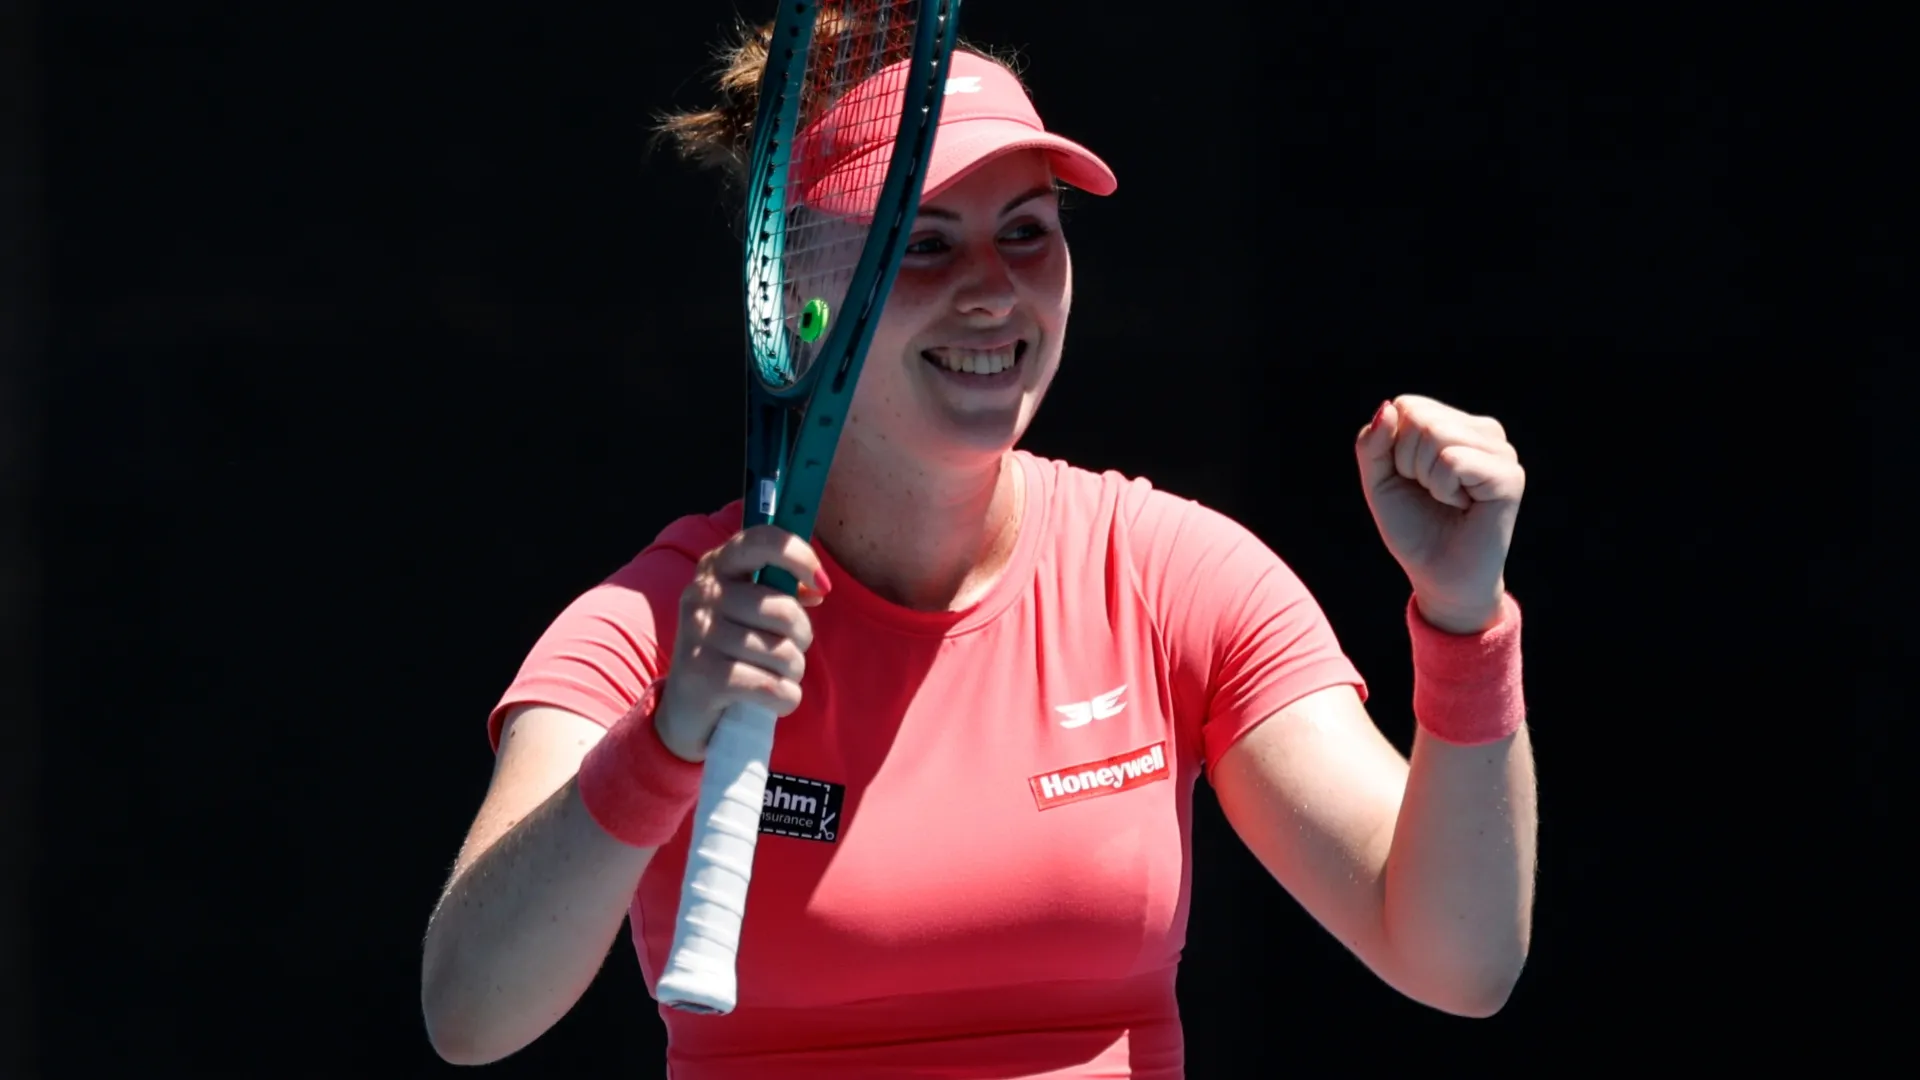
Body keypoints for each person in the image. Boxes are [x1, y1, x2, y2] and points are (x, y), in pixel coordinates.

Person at [419, 25, 1538, 1080]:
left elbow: (1456, 961)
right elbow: (469, 1014)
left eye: (1025, 232)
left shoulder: (1173, 576)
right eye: (922, 244)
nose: (992, 290)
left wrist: (1461, 618)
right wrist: (665, 738)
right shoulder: (654, 626)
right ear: (797, 294)